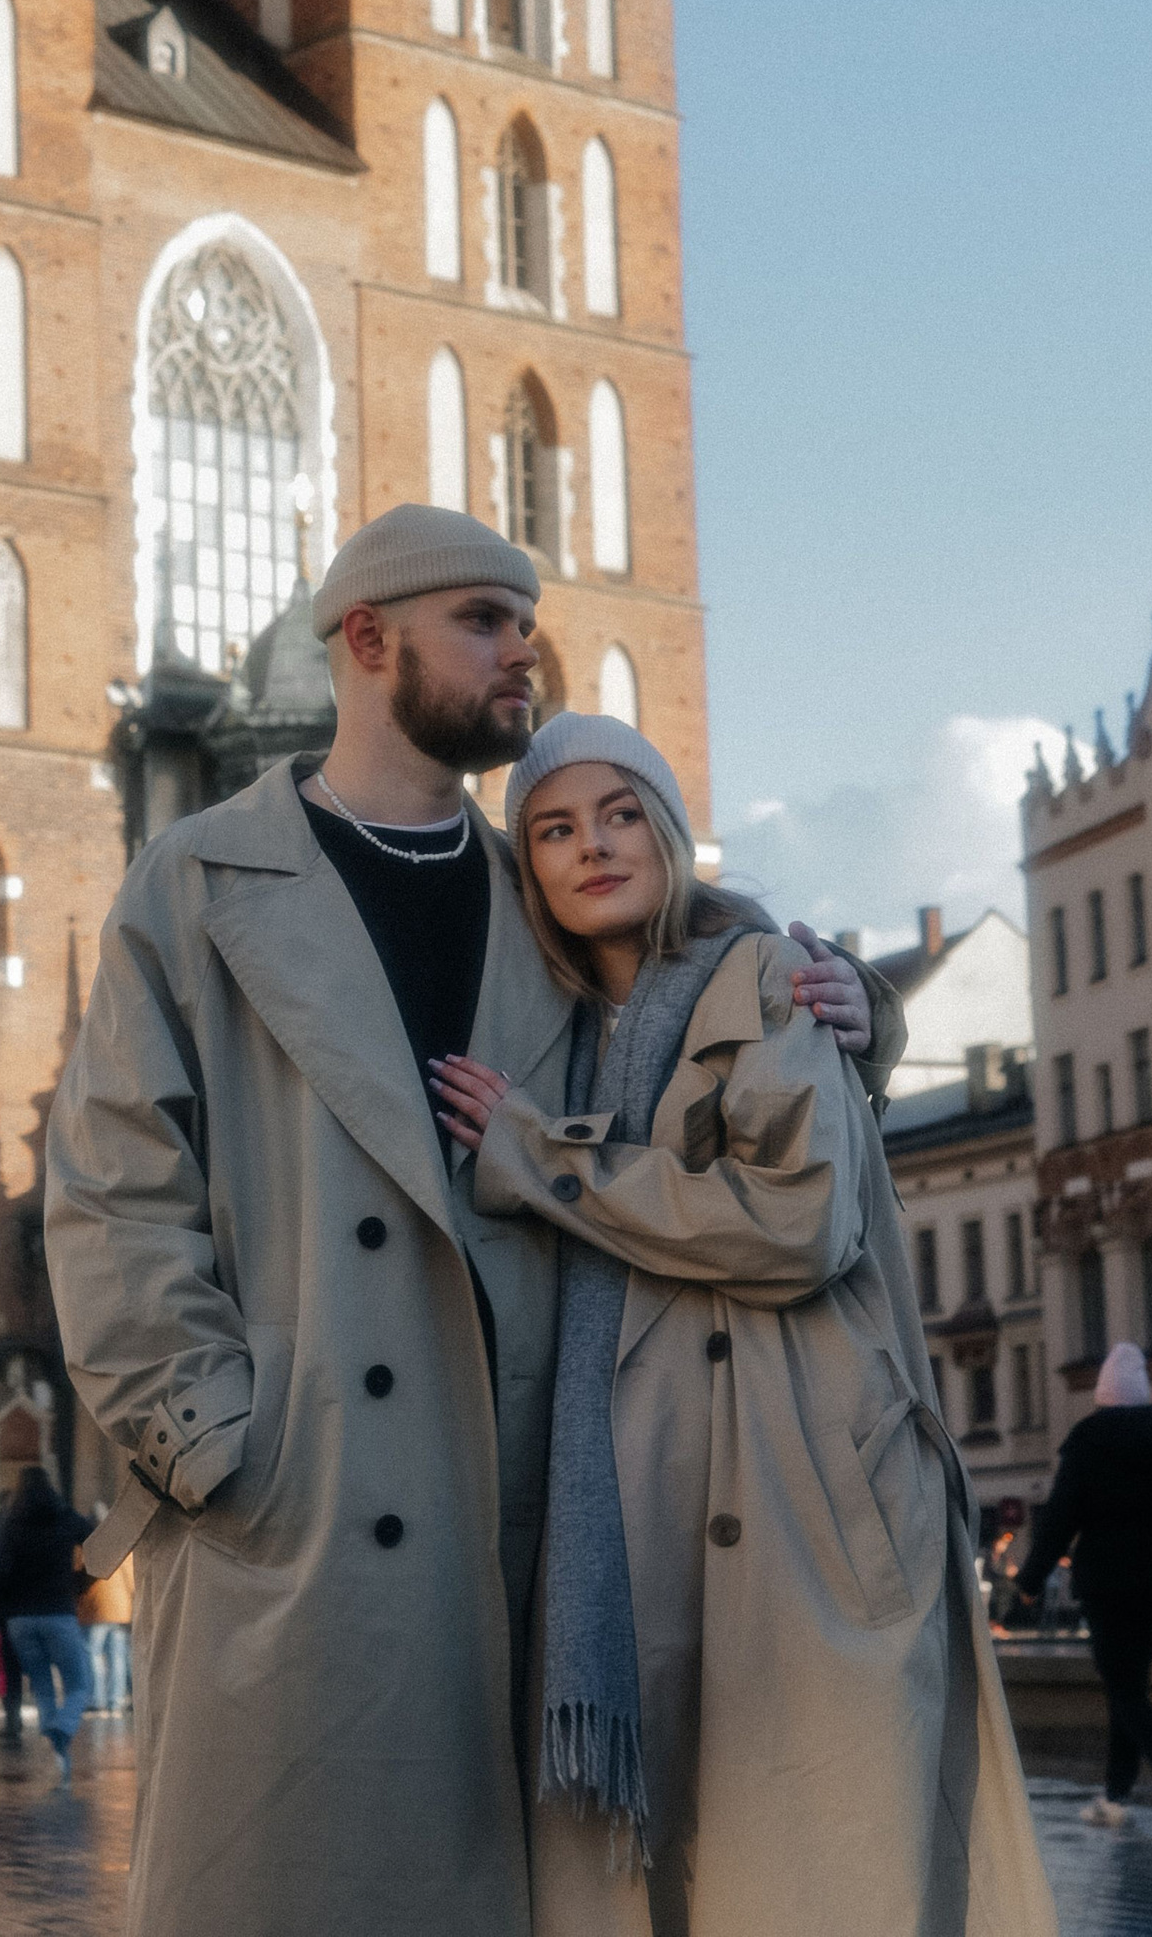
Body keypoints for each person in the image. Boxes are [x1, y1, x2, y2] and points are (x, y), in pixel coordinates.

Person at [47, 503, 891, 1937]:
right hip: (296, 1526)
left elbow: (718, 1051)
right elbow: (114, 1187)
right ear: (369, 642)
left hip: (531, 1524)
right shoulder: (197, 885)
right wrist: (214, 1440)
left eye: (526, 622)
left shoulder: (550, 890)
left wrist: (849, 1020)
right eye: (485, 622)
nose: (525, 654)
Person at [431, 713, 1054, 1935]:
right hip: (644, 1493)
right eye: (553, 829)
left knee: (809, 1874)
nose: (592, 847)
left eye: (620, 814)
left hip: (795, 1488)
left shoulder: (763, 979)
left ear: (667, 830)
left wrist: (545, 1162)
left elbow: (798, 1224)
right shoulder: (552, 1037)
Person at [1007, 1345, 1152, 1830]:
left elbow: (1060, 1518)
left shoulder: (1088, 1441)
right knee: (1129, 1684)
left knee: (1122, 1686)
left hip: (1108, 1580)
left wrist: (1029, 1579)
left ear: (1102, 1396)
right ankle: (1116, 1799)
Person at [0, 1467, 93, 1772]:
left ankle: (59, 1752)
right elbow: (99, 1544)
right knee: (80, 1683)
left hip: (20, 1620)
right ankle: (64, 1728)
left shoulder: (9, 1524)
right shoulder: (65, 1517)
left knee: (41, 1684)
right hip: (58, 1611)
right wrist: (80, 1583)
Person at [82, 1537, 133, 1714]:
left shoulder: (91, 1546)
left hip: (97, 1608)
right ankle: (115, 1700)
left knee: (93, 1653)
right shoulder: (127, 1547)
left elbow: (82, 1574)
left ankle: (96, 1699)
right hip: (121, 1608)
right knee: (117, 1656)